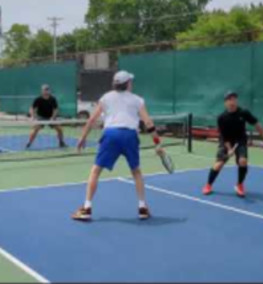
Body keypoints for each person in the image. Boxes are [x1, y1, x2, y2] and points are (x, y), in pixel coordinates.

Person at [71, 70, 164, 221]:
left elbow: (91, 120)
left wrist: (82, 137)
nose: (131, 83)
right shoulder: (137, 100)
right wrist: (157, 143)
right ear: (127, 84)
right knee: (136, 172)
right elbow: (148, 123)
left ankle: (87, 208)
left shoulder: (106, 98)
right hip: (130, 136)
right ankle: (142, 208)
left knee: (95, 171)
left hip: (111, 135)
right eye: (130, 81)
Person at [203, 91, 263, 198]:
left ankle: (239, 185)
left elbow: (256, 124)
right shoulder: (222, 118)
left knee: (243, 161)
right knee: (219, 164)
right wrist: (229, 149)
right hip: (226, 141)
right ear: (225, 103)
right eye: (230, 99)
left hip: (240, 140)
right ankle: (208, 185)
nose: (232, 101)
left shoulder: (244, 112)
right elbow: (224, 136)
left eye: (234, 99)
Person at [26, 84, 66, 149]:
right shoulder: (38, 99)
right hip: (41, 117)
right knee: (35, 129)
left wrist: (52, 118)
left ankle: (61, 142)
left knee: (59, 129)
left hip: (50, 117)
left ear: (49, 91)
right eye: (44, 90)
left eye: (47, 89)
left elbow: (56, 109)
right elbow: (31, 108)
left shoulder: (53, 99)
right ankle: (29, 143)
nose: (46, 91)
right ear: (42, 91)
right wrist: (33, 117)